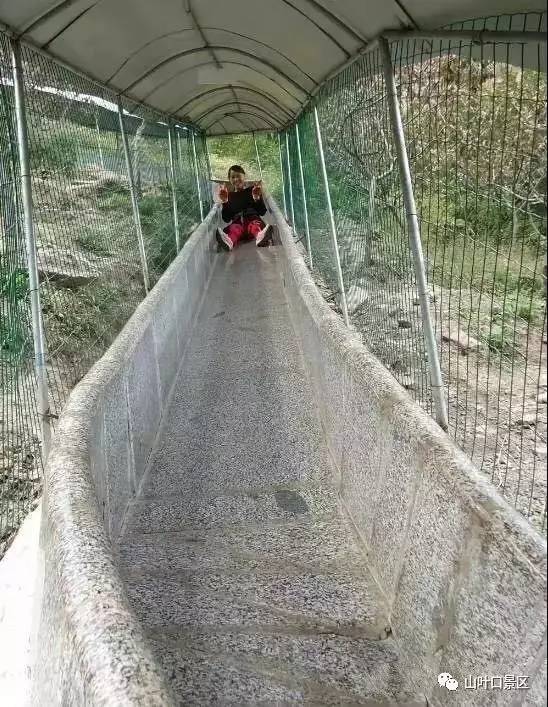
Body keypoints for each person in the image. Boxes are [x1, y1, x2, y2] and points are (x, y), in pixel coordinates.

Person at [216, 165, 272, 251]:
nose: (236, 179)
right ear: (229, 179)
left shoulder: (252, 190)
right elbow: (226, 219)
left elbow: (262, 212)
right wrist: (225, 201)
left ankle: (261, 237)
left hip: (252, 221)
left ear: (244, 177)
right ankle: (229, 242)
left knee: (254, 225)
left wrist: (257, 197)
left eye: (238, 176)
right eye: (233, 177)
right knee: (234, 229)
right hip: (238, 224)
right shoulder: (229, 195)